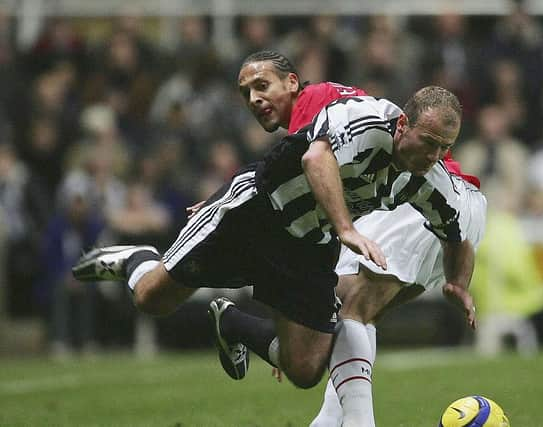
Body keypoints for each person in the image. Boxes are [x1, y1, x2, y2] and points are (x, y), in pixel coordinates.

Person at [72, 52, 481, 415]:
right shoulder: (363, 119)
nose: (434, 157)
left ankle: (232, 323)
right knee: (152, 299)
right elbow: (315, 157)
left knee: (304, 369)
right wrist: (346, 228)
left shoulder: (431, 177)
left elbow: (455, 233)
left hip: (307, 246)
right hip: (253, 216)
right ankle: (134, 259)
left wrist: (458, 283)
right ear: (404, 125)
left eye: (444, 148)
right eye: (428, 143)